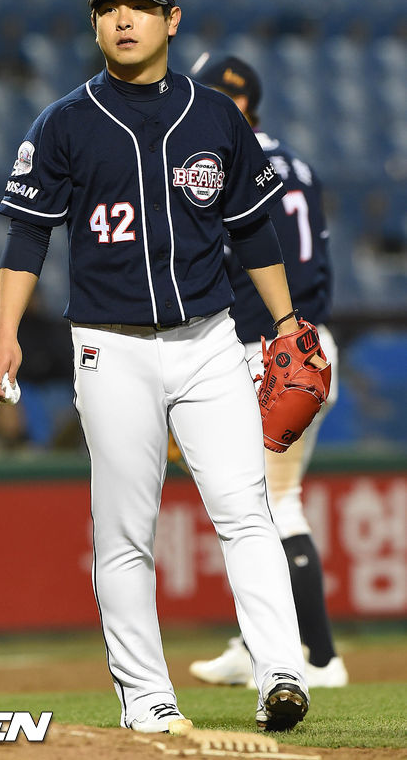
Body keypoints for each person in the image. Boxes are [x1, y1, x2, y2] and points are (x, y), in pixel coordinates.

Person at [0, 0, 327, 734]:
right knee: (125, 532)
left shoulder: (216, 117)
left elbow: (255, 231)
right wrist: (4, 335)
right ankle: (148, 698)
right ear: (95, 23)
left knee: (246, 511)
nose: (123, 18)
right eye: (109, 6)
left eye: (138, 5)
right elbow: (27, 236)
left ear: (171, 19)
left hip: (209, 342)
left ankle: (281, 672)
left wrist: (286, 325)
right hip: (112, 348)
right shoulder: (65, 122)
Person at [186, 55, 348, 689]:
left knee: (271, 503)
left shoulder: (225, 162)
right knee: (252, 502)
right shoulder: (298, 164)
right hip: (309, 342)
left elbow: (236, 260)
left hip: (269, 347)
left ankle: (318, 656)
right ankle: (255, 641)